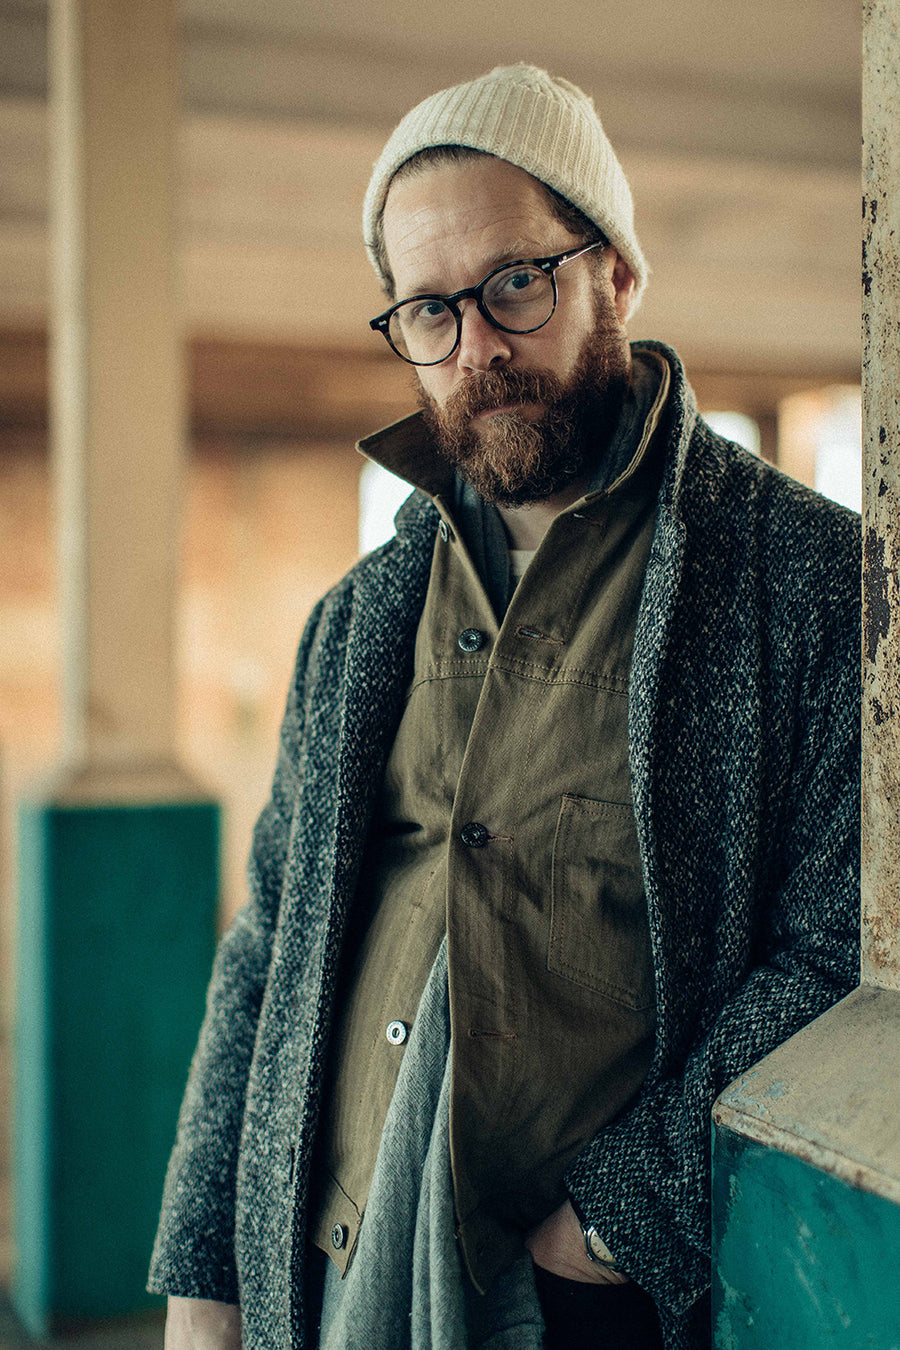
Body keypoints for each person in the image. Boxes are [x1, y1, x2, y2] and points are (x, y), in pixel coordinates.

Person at [149, 65, 860, 1350]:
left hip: (577, 1297)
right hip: (328, 1267)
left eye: (514, 284)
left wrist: (612, 1226)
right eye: (429, 308)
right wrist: (209, 1272)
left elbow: (835, 947)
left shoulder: (806, 582)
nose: (478, 344)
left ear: (617, 276)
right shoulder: (356, 624)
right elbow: (271, 949)